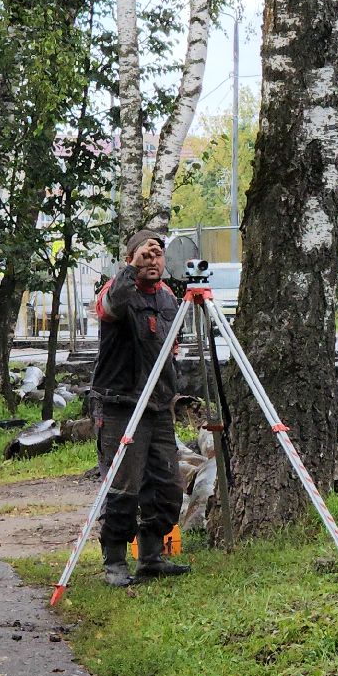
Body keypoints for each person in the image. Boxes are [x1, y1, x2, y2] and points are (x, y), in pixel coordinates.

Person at [90, 231, 192, 587]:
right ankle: (115, 563)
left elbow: (172, 346)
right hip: (121, 404)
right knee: (123, 486)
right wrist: (132, 269)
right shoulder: (116, 289)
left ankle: (151, 557)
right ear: (129, 259)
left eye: (157, 255)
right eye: (145, 255)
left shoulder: (168, 298)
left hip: (158, 406)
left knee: (167, 486)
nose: (152, 260)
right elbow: (110, 308)